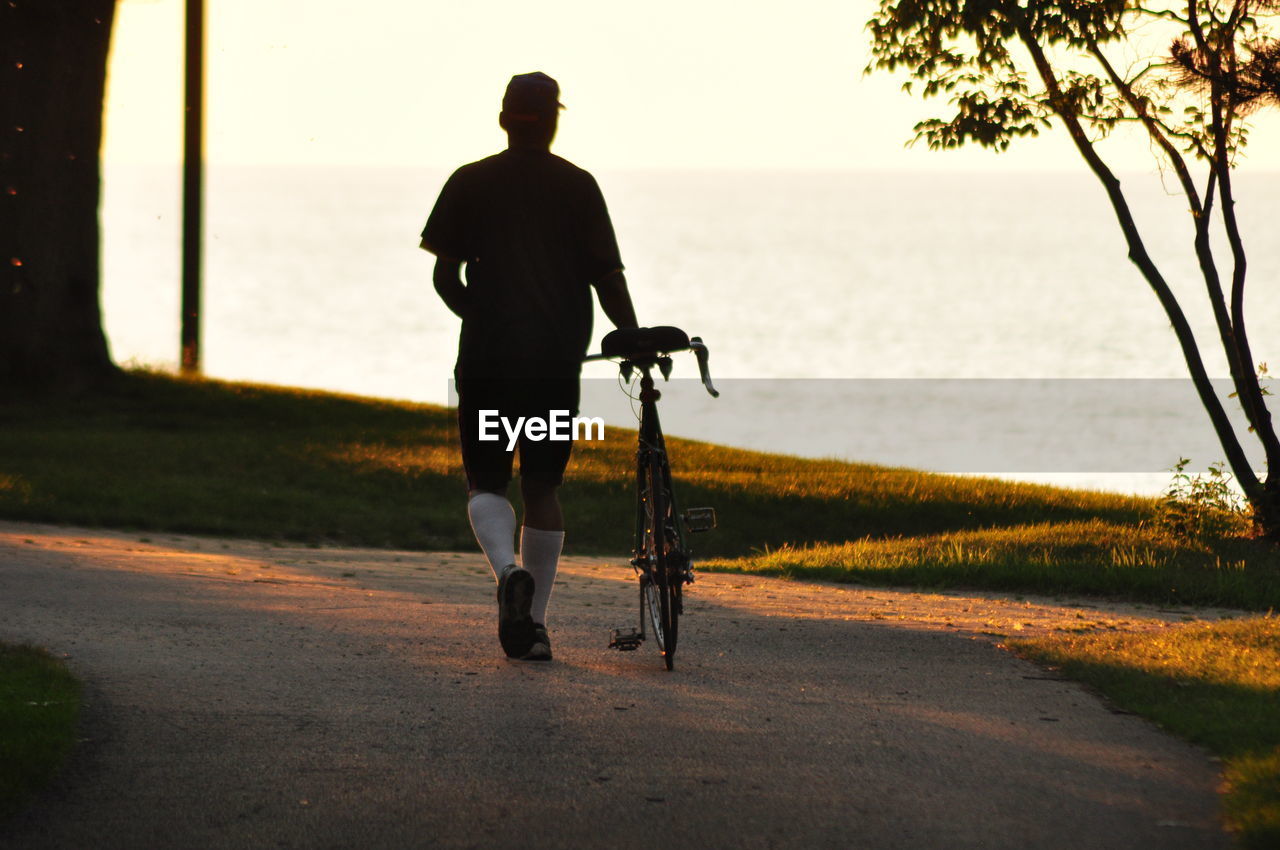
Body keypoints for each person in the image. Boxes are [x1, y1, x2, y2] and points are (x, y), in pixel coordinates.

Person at [419, 72, 639, 662]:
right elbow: (606, 276)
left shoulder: (469, 182)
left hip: (489, 360)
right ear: (554, 120)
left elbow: (445, 276)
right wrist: (630, 333)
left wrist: (483, 317)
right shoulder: (578, 186)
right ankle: (533, 625)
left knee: (486, 482)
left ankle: (508, 571)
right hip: (553, 362)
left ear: (502, 119)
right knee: (543, 486)